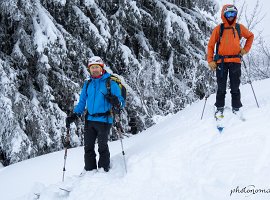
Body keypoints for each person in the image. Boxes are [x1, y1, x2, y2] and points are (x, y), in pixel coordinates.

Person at [66, 56, 125, 173]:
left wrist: (116, 101)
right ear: (89, 69)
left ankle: (103, 171)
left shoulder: (110, 83)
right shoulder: (88, 84)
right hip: (90, 120)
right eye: (92, 68)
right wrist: (74, 115)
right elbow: (82, 101)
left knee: (102, 147)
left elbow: (121, 102)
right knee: (88, 148)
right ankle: (89, 171)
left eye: (97, 67)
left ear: (101, 68)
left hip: (104, 120)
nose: (95, 70)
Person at [207, 4, 254, 117]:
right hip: (221, 63)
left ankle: (236, 107)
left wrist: (245, 49)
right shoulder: (219, 28)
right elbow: (210, 45)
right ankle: (219, 107)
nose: (231, 16)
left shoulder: (239, 27)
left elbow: (250, 36)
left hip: (235, 61)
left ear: (236, 15)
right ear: (224, 14)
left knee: (235, 86)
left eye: (233, 13)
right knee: (221, 86)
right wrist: (210, 60)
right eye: (228, 13)